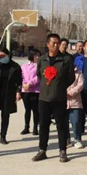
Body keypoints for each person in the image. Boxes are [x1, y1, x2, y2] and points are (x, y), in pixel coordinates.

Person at [32, 34, 75, 163]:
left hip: (59, 98)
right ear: (47, 44)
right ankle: (42, 150)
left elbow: (71, 77)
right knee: (43, 125)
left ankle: (63, 150)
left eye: (58, 43)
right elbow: (39, 75)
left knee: (61, 125)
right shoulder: (42, 59)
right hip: (44, 98)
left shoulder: (66, 59)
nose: (56, 45)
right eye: (53, 43)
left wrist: (59, 86)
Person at [20, 49, 41, 136]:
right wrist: (24, 84)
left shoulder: (39, 66)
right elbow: (21, 76)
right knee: (27, 110)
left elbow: (39, 76)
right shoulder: (24, 66)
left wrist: (31, 83)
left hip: (35, 90)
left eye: (38, 55)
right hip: (25, 91)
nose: (37, 57)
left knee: (35, 110)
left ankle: (35, 127)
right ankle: (26, 127)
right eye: (36, 55)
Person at [66, 66, 85, 149]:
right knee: (63, 123)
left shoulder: (78, 73)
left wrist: (70, 92)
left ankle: (77, 139)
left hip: (75, 101)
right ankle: (66, 140)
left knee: (76, 121)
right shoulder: (60, 70)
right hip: (63, 101)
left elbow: (80, 85)